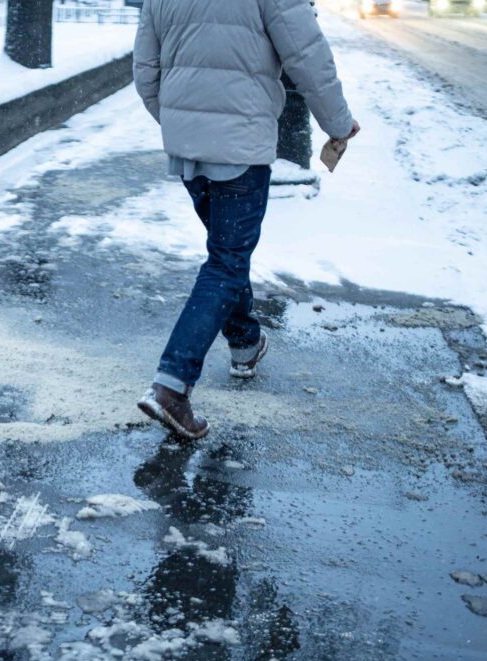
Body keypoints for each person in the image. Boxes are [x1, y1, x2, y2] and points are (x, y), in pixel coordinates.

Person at [134, 0, 360, 439]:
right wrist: (338, 123)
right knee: (226, 262)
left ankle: (245, 344)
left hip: (187, 150)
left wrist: (181, 123)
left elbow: (146, 70)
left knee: (227, 254)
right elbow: (306, 54)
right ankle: (172, 386)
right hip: (240, 150)